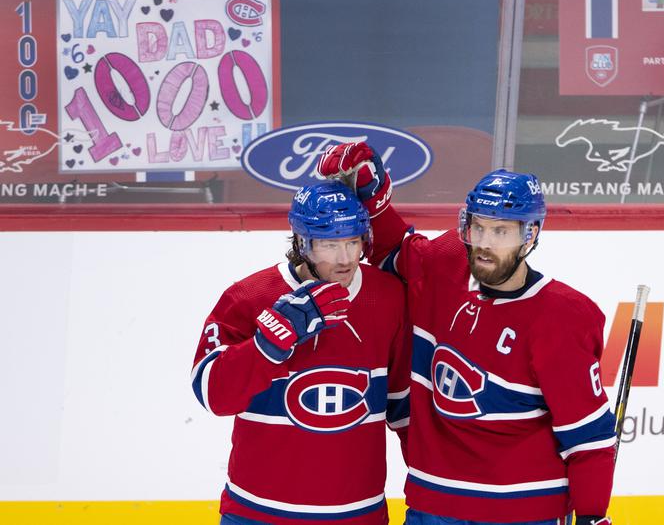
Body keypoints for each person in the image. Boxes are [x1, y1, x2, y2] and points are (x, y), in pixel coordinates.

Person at [317, 142, 616, 525]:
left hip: (522, 513)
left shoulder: (563, 316)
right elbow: (393, 249)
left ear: (531, 235)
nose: (486, 243)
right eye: (479, 227)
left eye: (502, 231)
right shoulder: (446, 264)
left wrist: (592, 515)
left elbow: (589, 438)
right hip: (432, 505)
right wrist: (370, 195)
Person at [191, 180, 411, 525]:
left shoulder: (388, 297)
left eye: (353, 242)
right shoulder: (248, 297)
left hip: (356, 516)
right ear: (302, 242)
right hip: (256, 513)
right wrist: (268, 344)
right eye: (330, 243)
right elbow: (212, 394)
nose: (345, 258)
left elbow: (405, 410)